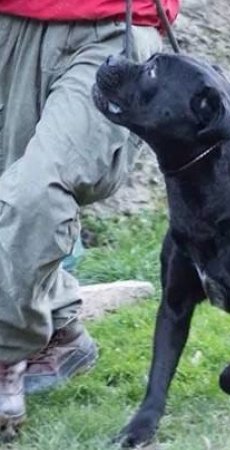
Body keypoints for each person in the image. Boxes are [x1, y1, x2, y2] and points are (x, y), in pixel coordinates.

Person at [0, 0, 180, 437]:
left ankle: (6, 352)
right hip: (10, 20)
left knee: (36, 192)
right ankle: (57, 323)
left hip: (110, 27)